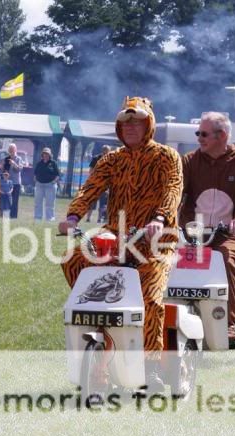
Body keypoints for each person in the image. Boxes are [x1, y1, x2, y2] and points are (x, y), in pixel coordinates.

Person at [58, 96, 183, 392]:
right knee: (73, 259)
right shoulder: (112, 160)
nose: (129, 128)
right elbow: (91, 188)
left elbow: (173, 188)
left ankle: (150, 367)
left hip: (157, 241)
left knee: (150, 298)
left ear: (149, 124)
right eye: (125, 123)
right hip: (116, 236)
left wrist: (160, 218)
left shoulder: (166, 156)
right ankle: (99, 333)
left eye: (136, 122)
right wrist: (74, 216)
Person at [179, 111, 235, 346]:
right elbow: (174, 192)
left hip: (229, 235)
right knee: (168, 260)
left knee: (222, 257)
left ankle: (227, 325)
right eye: (198, 133)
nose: (199, 138)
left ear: (222, 135)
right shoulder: (190, 161)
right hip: (193, 234)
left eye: (203, 134)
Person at [33, 147, 60, 222]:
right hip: (39, 185)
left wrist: (53, 182)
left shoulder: (53, 163)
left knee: (50, 204)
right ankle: (37, 218)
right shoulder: (39, 163)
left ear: (49, 155)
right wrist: (36, 181)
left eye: (47, 154)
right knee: (38, 203)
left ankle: (50, 218)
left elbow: (57, 175)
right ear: (42, 154)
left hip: (50, 186)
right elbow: (35, 174)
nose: (45, 155)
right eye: (44, 153)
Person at [86, 145, 112, 222]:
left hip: (105, 185)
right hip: (95, 184)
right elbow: (91, 170)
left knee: (102, 203)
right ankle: (88, 218)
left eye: (107, 150)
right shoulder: (96, 158)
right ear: (102, 150)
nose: (106, 152)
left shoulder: (112, 159)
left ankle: (99, 218)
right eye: (104, 150)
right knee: (92, 202)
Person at [3, 143, 23, 218]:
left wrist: (14, 163)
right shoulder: (6, 159)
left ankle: (13, 216)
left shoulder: (19, 159)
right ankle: (6, 215)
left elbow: (19, 169)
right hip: (7, 183)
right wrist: (2, 167)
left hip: (16, 183)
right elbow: (4, 171)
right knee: (7, 199)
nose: (11, 150)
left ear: (15, 150)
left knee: (15, 200)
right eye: (10, 149)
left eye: (12, 149)